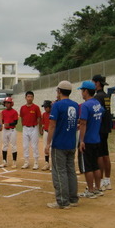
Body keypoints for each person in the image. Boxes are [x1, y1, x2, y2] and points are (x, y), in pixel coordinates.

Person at [45, 81, 79, 209]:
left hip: (60, 143)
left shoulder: (57, 106)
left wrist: (48, 143)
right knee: (71, 171)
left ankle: (62, 201)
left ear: (59, 91)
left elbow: (52, 125)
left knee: (59, 172)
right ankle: (73, 198)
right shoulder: (75, 105)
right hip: (71, 142)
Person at [77, 81, 104, 199]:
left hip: (87, 140)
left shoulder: (85, 105)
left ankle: (90, 190)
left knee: (87, 166)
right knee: (95, 165)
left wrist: (81, 140)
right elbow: (100, 115)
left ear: (86, 91)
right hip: (96, 138)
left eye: (82, 90)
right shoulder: (97, 103)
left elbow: (83, 123)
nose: (81, 93)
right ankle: (98, 188)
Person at [92, 74, 113, 190]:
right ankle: (107, 180)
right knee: (106, 154)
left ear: (97, 83)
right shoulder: (106, 96)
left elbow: (97, 114)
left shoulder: (97, 97)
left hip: (99, 129)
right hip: (106, 128)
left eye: (93, 82)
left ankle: (99, 182)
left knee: (99, 155)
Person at [20, 91, 42, 169]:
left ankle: (36, 162)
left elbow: (39, 117)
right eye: (28, 96)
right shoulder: (22, 108)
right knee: (25, 146)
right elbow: (22, 117)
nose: (29, 98)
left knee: (34, 146)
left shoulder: (36, 107)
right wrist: (23, 125)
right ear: (25, 98)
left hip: (34, 128)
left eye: (31, 97)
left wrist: (39, 128)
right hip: (25, 128)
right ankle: (26, 162)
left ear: (33, 98)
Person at [0, 97, 18, 168]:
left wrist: (9, 124)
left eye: (8, 103)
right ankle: (4, 161)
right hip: (5, 130)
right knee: (4, 145)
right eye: (6, 103)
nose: (7, 104)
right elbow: (2, 121)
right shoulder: (3, 112)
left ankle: (14, 162)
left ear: (11, 104)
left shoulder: (14, 112)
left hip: (12, 130)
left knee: (13, 145)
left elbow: (16, 122)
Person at [41, 100, 52, 171]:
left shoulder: (53, 113)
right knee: (45, 147)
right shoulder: (44, 114)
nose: (45, 108)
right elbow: (43, 123)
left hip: (52, 133)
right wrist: (42, 129)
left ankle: (52, 164)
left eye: (46, 107)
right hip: (46, 132)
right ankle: (46, 163)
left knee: (51, 149)